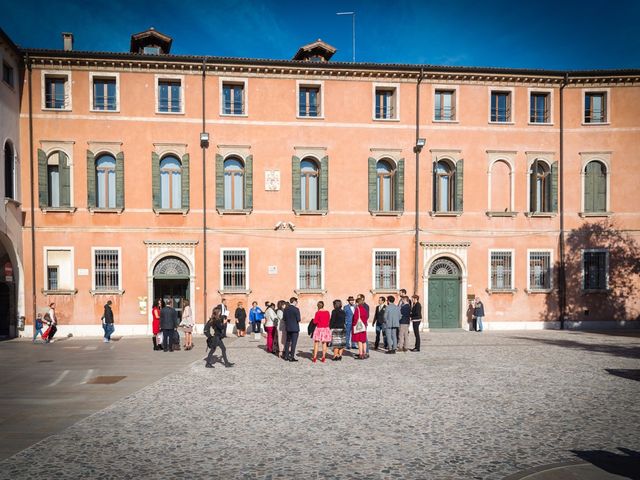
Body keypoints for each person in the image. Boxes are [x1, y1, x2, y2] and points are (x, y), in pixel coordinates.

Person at [282, 297, 301, 362]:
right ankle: (291, 357)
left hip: (288, 328)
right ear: (294, 302)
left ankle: (286, 356)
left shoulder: (285, 309)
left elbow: (284, 319)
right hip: (295, 328)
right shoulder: (296, 309)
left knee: (287, 342)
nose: (297, 303)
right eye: (296, 302)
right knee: (293, 343)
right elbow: (298, 319)